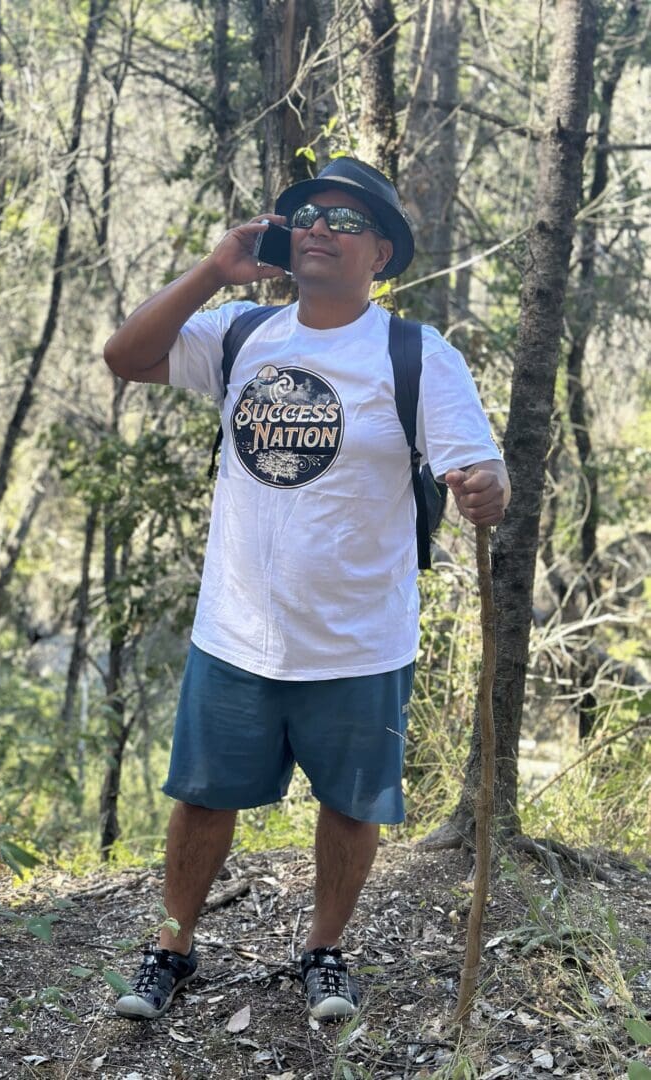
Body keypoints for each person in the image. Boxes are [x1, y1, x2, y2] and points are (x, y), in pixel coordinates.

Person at [103, 157, 510, 1023]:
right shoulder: (240, 334)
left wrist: (485, 490)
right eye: (310, 214)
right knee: (203, 801)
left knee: (348, 808)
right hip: (237, 632)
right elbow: (125, 356)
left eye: (346, 220)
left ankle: (324, 951)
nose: (321, 226)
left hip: (360, 638)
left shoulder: (415, 354)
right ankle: (172, 948)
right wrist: (215, 269)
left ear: (382, 255)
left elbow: (479, 469)